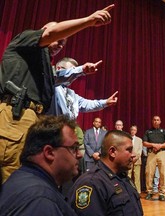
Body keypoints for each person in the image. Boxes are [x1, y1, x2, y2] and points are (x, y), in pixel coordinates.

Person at [0, 4, 115, 183]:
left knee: (25, 176)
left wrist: (81, 70)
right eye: (59, 39)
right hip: (15, 117)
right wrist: (88, 21)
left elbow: (56, 78)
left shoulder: (43, 67)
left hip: (33, 120)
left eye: (63, 44)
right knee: (11, 175)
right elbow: (49, 35)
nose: (60, 45)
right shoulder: (25, 39)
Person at [0, 115, 82, 215]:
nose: (79, 154)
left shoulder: (20, 179)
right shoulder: (40, 200)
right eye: (74, 148)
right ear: (49, 153)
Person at [69, 130, 143, 216]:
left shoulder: (123, 178)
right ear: (112, 152)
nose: (133, 155)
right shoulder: (92, 183)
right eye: (129, 150)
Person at [48, 57, 118, 119]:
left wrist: (105, 102)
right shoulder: (51, 84)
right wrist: (80, 70)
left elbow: (87, 104)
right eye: (71, 71)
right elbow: (58, 76)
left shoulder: (71, 94)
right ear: (59, 69)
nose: (73, 76)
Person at [143, 115, 165, 201]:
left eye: (157, 120)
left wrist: (160, 146)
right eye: (154, 120)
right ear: (152, 121)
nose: (156, 121)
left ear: (160, 121)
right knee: (149, 173)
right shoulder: (148, 131)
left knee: (163, 173)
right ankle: (149, 192)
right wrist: (153, 145)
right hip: (151, 153)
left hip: (162, 153)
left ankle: (162, 193)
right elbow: (144, 143)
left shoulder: (164, 132)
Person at [128, 125, 143, 194]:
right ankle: (129, 190)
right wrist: (130, 157)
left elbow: (140, 151)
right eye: (132, 129)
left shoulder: (139, 140)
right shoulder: (127, 138)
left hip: (137, 160)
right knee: (128, 176)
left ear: (136, 131)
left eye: (134, 130)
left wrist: (135, 157)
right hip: (128, 160)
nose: (133, 131)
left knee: (137, 177)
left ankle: (138, 191)